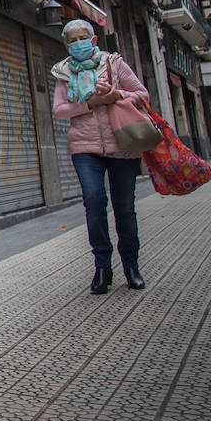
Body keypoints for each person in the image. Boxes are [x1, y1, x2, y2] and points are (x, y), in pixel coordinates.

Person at [51, 18, 149, 294]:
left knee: (124, 208)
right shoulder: (63, 72)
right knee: (94, 201)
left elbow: (142, 93)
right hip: (85, 146)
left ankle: (131, 265)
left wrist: (115, 95)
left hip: (123, 142)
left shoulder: (114, 64)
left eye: (83, 37)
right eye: (72, 40)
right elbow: (59, 110)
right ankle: (102, 267)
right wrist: (90, 103)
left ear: (94, 40)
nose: (78, 43)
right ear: (66, 45)